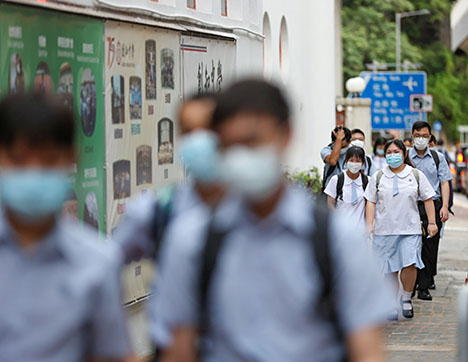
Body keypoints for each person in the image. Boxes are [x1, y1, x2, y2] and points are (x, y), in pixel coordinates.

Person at [151, 79, 393, 362]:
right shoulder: (191, 240)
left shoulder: (337, 241)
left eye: (253, 141)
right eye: (232, 145)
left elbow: (366, 351)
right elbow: (179, 349)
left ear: (286, 135)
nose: (243, 156)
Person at [0, 93, 133, 362]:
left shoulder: (98, 261)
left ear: (72, 159)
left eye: (49, 161)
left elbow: (110, 354)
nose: (33, 173)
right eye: (18, 160)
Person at [115, 93, 224, 263]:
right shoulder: (156, 209)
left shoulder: (252, 209)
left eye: (207, 129)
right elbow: (106, 263)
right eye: (187, 131)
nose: (198, 140)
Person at [365, 139, 438, 319]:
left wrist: (432, 222)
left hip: (410, 228)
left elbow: (428, 199)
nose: (392, 155)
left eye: (396, 152)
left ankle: (406, 298)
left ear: (404, 154)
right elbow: (371, 201)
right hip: (385, 229)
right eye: (388, 152)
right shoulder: (379, 176)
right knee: (389, 268)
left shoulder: (415, 174)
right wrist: (369, 224)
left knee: (410, 263)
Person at [409, 121, 453, 301]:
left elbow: (444, 182)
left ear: (430, 137)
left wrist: (444, 206)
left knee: (429, 247)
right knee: (411, 246)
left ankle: (424, 286)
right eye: (418, 136)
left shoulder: (437, 157)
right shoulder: (405, 156)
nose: (421, 139)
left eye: (425, 136)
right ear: (412, 136)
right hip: (410, 205)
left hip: (432, 206)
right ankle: (410, 285)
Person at [324, 146, 369, 226]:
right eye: (351, 160)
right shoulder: (336, 180)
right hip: (341, 229)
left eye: (358, 161)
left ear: (363, 163)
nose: (354, 164)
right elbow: (330, 205)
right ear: (346, 161)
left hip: (361, 231)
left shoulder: (368, 181)